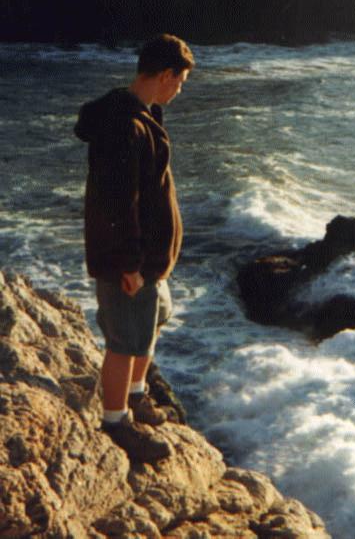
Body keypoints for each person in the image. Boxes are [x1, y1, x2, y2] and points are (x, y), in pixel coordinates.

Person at [74, 34, 195, 462]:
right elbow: (118, 202)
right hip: (130, 262)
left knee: (150, 323)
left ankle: (137, 395)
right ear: (165, 75)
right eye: (180, 80)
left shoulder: (142, 115)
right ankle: (115, 420)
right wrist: (129, 264)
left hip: (149, 263)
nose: (180, 89)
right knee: (124, 341)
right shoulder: (125, 126)